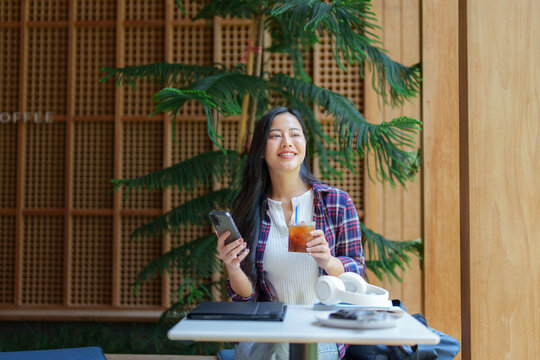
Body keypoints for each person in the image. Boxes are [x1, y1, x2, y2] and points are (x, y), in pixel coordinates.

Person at [215, 107, 365, 360]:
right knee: (279, 350)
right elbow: (246, 299)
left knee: (286, 352)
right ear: (261, 150)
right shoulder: (249, 210)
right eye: (275, 136)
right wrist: (233, 268)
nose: (287, 142)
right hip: (266, 330)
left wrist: (328, 261)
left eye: (295, 134)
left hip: (323, 330)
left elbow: (358, 274)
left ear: (304, 144)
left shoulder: (335, 202)